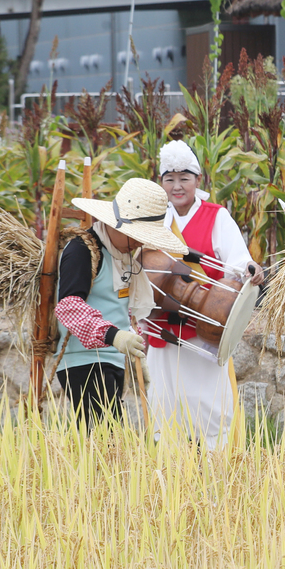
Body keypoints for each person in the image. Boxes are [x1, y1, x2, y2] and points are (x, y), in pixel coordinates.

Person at [144, 140, 263, 451]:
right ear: (161, 183)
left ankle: (216, 476)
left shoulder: (216, 216)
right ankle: (169, 478)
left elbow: (238, 262)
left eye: (184, 178)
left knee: (210, 411)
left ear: (198, 180)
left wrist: (250, 268)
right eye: (169, 179)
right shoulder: (154, 218)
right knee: (165, 409)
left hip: (204, 329)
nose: (177, 186)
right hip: (162, 332)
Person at [60, 178, 188, 428]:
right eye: (136, 236)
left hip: (112, 359)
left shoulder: (125, 257)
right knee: (106, 440)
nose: (140, 243)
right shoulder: (82, 250)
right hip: (84, 361)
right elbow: (68, 306)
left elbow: (120, 309)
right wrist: (113, 336)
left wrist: (129, 346)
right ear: (116, 224)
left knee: (110, 441)